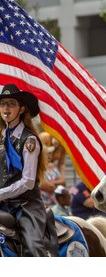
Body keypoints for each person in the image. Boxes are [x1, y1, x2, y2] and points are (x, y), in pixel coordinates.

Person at [0, 84, 55, 256]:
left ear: (21, 108)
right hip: (4, 203)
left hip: (26, 205)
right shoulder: (2, 138)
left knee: (32, 248)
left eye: (11, 104)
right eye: (2, 104)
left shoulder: (29, 140)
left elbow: (28, 181)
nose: (5, 108)